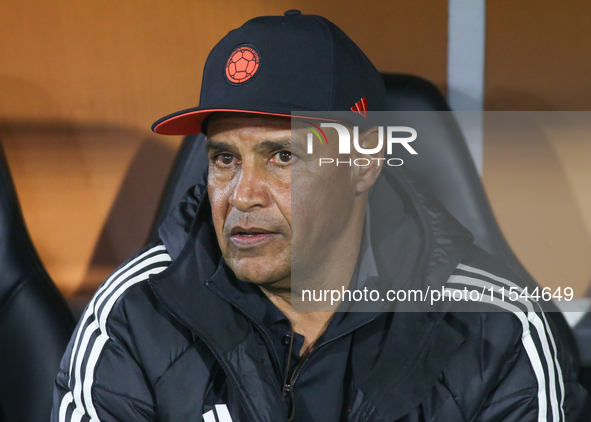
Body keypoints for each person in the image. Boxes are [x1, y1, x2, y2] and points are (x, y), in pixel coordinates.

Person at [52, 11, 589, 422]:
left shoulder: (494, 328)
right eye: (224, 159)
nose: (242, 196)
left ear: (363, 165)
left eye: (282, 156)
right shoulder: (135, 312)